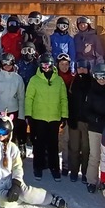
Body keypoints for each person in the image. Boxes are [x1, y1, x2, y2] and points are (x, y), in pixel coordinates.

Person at [0, 115, 67, 208]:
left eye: (4, 132)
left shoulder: (12, 147)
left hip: (11, 182)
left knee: (26, 193)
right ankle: (20, 198)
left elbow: (17, 167)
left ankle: (50, 198)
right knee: (5, 203)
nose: (1, 135)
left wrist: (16, 184)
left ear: (9, 132)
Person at [25, 53, 68, 181]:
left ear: (52, 65)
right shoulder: (34, 80)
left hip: (54, 117)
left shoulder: (58, 81)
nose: (46, 67)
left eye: (48, 65)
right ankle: (38, 167)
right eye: (43, 65)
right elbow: (29, 98)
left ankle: (54, 168)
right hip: (38, 117)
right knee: (39, 144)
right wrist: (28, 114)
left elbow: (63, 99)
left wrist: (64, 115)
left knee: (53, 144)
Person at [82, 63, 105, 192]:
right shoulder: (91, 91)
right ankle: (91, 180)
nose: (101, 79)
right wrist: (96, 119)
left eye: (104, 76)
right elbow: (86, 110)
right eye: (98, 76)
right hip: (95, 128)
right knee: (95, 155)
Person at [0, 53, 25, 141]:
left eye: (9, 63)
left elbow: (21, 97)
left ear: (13, 63)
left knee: (11, 135)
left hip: (12, 111)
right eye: (4, 63)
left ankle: (10, 148)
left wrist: (21, 116)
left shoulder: (18, 78)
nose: (7, 65)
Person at [67, 59, 93, 184]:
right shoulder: (73, 81)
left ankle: (85, 172)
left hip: (87, 121)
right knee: (74, 147)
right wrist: (69, 117)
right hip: (75, 119)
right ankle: (73, 170)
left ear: (88, 69)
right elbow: (69, 100)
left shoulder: (92, 82)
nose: (81, 70)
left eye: (84, 67)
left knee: (86, 148)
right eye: (79, 68)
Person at [56, 53, 74, 177]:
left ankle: (65, 164)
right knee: (56, 139)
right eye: (62, 64)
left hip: (69, 112)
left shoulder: (72, 78)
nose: (64, 66)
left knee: (66, 140)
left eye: (66, 64)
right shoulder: (54, 78)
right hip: (55, 112)